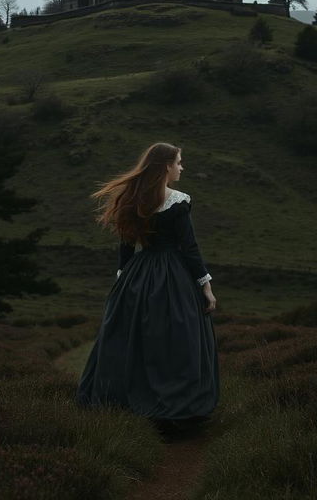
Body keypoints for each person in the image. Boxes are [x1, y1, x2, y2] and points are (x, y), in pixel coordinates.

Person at [77, 142, 219, 431]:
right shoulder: (177, 201)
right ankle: (179, 408)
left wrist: (123, 282)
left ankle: (126, 403)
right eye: (179, 162)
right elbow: (189, 247)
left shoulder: (133, 198)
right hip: (173, 275)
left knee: (135, 339)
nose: (181, 167)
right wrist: (205, 284)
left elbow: (126, 246)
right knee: (178, 340)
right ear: (166, 165)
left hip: (138, 275)